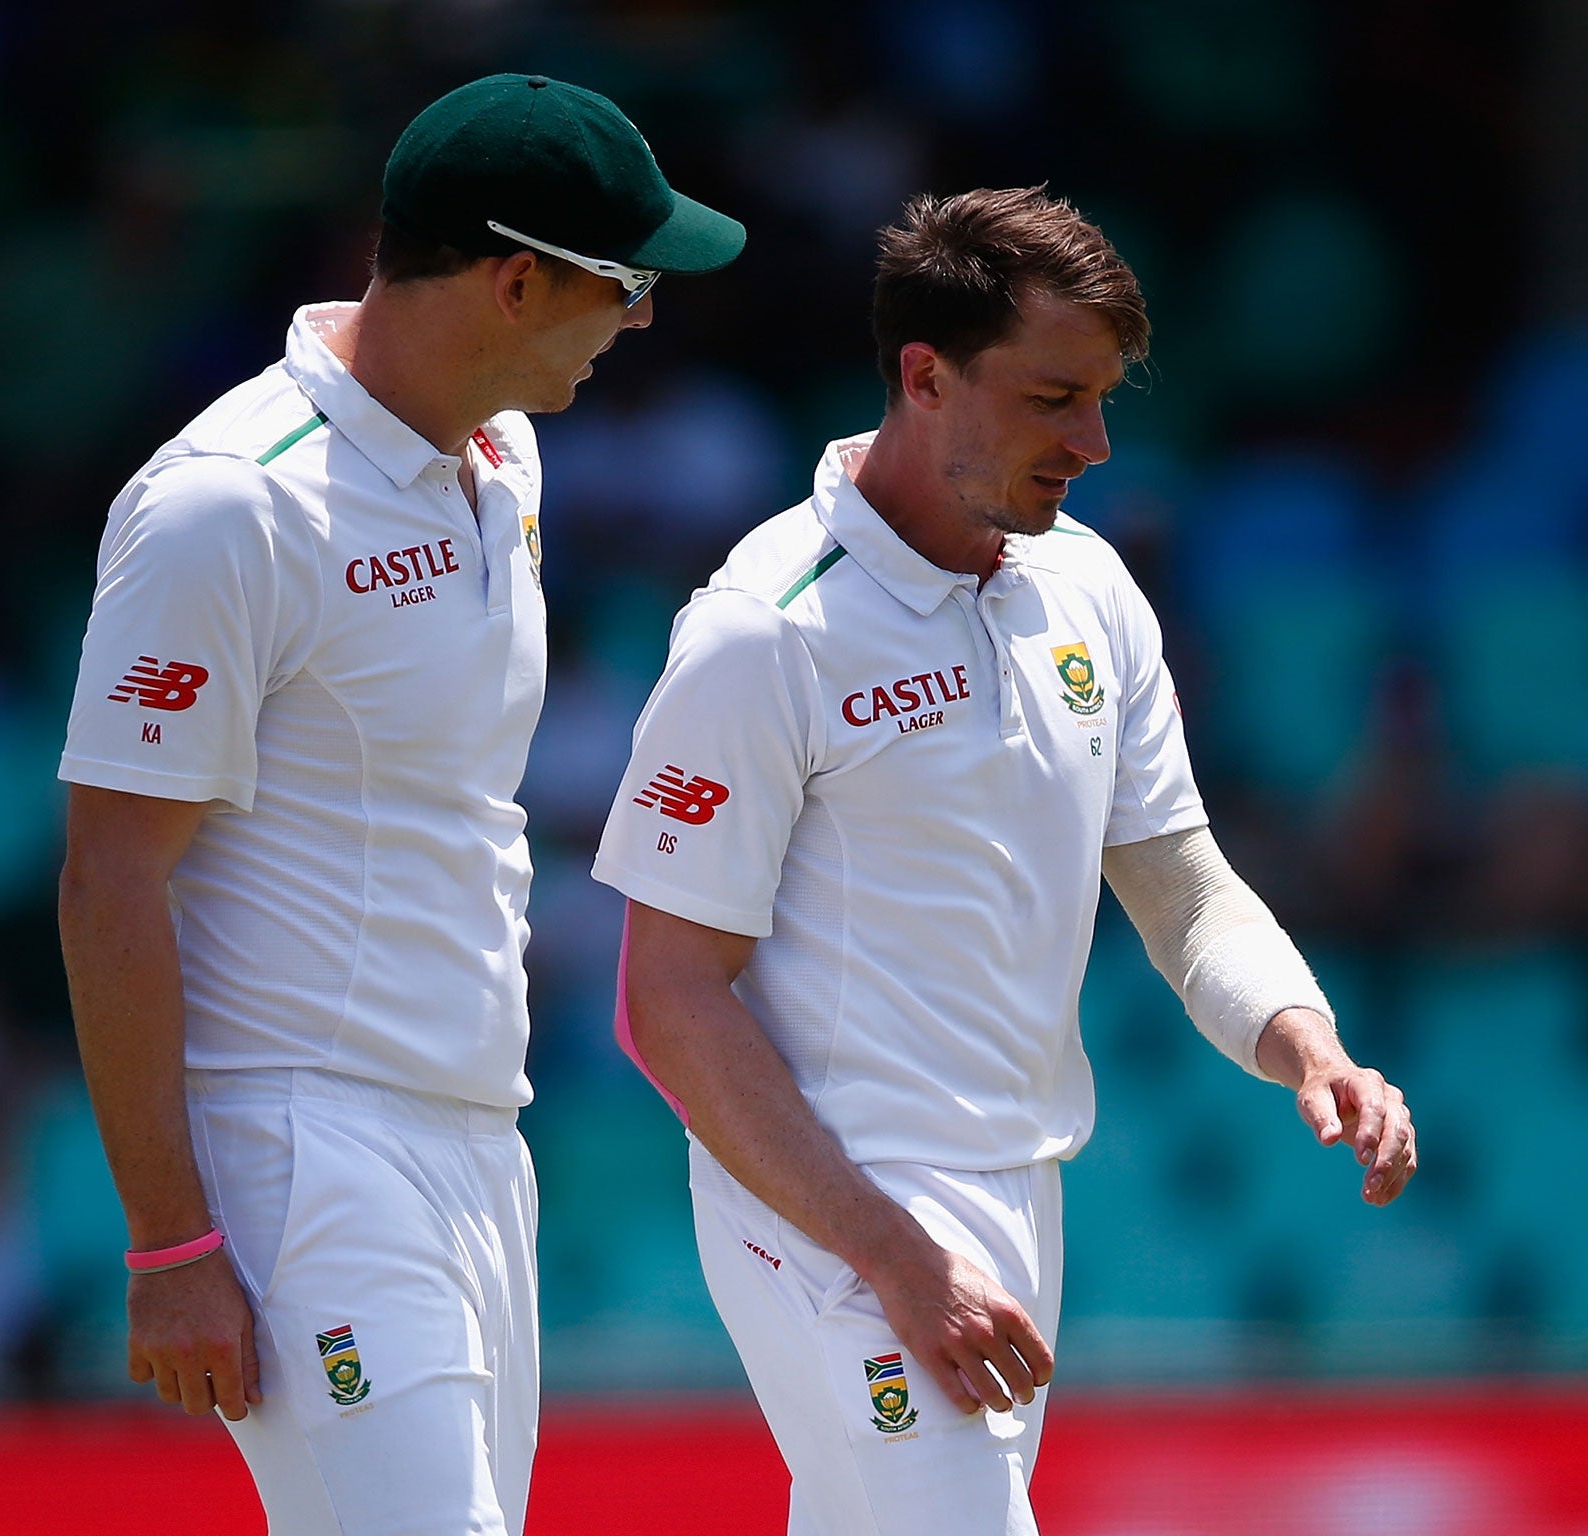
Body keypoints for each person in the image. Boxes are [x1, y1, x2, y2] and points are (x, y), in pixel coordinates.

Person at [592, 187, 1417, 1536]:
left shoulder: (1086, 585)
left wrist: (1309, 1046)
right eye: (1052, 399)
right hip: (832, 1207)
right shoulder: (765, 631)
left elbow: (1180, 887)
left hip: (1015, 1195)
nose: (1093, 443)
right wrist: (893, 1254)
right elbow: (666, 998)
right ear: (925, 376)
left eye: (1103, 400)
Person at [56, 74, 743, 1536]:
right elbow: (109, 879)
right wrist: (169, 1238)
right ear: (511, 281)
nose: (641, 320)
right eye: (624, 284)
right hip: (304, 1148)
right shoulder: (226, 504)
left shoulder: (504, 454)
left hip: (480, 1132)